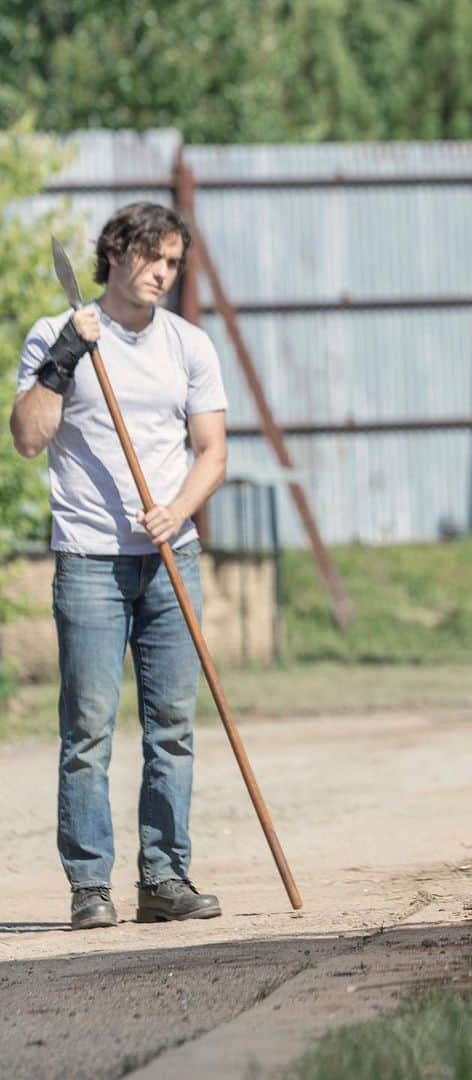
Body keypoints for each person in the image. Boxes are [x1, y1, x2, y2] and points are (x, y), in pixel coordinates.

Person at [9, 203, 228, 930]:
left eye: (173, 261)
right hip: (90, 561)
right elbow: (29, 439)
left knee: (171, 725)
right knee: (90, 728)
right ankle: (90, 887)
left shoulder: (189, 345)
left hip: (171, 559)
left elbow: (213, 452)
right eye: (152, 258)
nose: (163, 273)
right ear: (116, 256)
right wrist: (65, 358)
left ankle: (164, 878)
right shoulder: (55, 334)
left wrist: (178, 508)